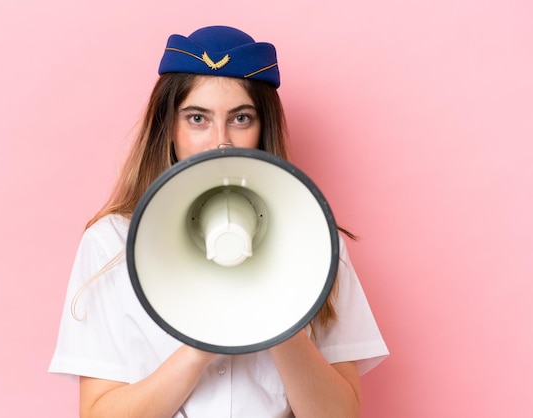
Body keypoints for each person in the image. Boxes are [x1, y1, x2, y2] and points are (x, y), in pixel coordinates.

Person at [49, 25, 389, 418]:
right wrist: (204, 337)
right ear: (169, 128)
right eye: (197, 118)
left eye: (241, 118)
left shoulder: (316, 239)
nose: (220, 141)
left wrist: (279, 318)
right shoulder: (109, 243)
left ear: (264, 127)